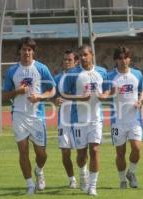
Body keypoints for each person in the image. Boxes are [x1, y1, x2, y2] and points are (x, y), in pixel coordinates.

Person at [2, 37, 56, 195]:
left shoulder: (41, 68)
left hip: (37, 117)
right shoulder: (12, 71)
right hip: (18, 115)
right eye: (24, 49)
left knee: (42, 153)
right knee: (23, 151)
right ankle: (30, 185)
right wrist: (16, 92)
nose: (26, 52)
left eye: (29, 49)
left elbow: (52, 90)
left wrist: (40, 97)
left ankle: (39, 171)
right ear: (19, 50)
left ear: (33, 51)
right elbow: (5, 95)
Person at [61, 45, 108, 196]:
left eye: (85, 55)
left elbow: (107, 89)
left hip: (96, 119)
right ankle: (83, 173)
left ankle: (93, 186)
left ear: (92, 55)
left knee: (94, 150)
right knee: (82, 155)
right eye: (80, 55)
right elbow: (64, 95)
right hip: (78, 120)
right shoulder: (72, 73)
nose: (83, 58)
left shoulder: (102, 71)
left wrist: (104, 96)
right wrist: (80, 98)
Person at [107, 46, 143, 189]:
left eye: (126, 57)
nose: (123, 61)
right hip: (117, 122)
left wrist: (140, 100)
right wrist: (111, 91)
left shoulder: (137, 74)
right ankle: (122, 180)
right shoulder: (110, 76)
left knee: (136, 148)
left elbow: (141, 91)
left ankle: (131, 172)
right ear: (116, 60)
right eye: (120, 58)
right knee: (120, 153)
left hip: (135, 120)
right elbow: (104, 94)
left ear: (130, 59)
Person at [53, 49, 87, 189]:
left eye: (70, 60)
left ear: (76, 61)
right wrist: (55, 100)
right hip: (63, 121)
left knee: (81, 152)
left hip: (78, 120)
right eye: (65, 60)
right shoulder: (57, 78)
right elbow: (52, 94)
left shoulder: (81, 76)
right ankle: (72, 179)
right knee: (65, 152)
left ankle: (83, 175)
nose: (66, 62)